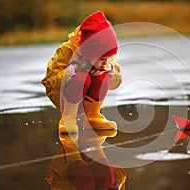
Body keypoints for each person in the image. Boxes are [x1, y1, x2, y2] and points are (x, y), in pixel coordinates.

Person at [41, 11, 126, 190]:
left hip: (87, 95)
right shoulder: (67, 51)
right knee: (82, 78)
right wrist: (71, 72)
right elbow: (49, 83)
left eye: (108, 59)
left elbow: (116, 82)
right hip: (65, 95)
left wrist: (110, 71)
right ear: (88, 52)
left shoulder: (106, 54)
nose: (106, 61)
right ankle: (69, 119)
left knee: (102, 77)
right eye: (102, 59)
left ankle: (92, 117)